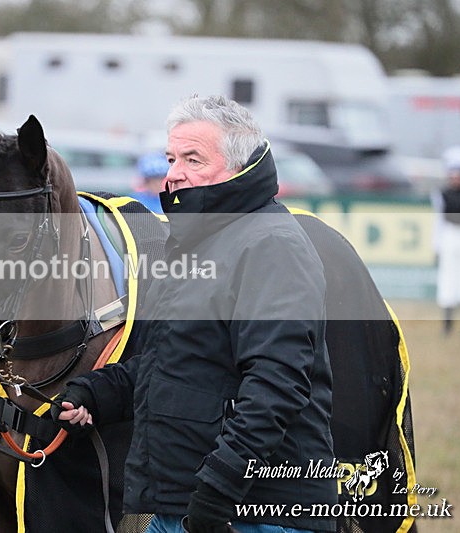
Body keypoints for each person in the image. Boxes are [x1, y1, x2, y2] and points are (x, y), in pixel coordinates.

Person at [53, 95, 335, 533]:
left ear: (238, 167)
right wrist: (96, 393)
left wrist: (218, 493)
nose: (174, 173)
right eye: (171, 158)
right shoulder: (195, 243)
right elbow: (177, 363)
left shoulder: (272, 245)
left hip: (253, 513)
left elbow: (277, 386)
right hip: (183, 505)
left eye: (193, 158)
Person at [434, 145, 460, 335]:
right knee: (448, 279)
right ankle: (447, 325)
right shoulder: (443, 194)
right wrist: (437, 246)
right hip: (450, 235)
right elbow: (438, 221)